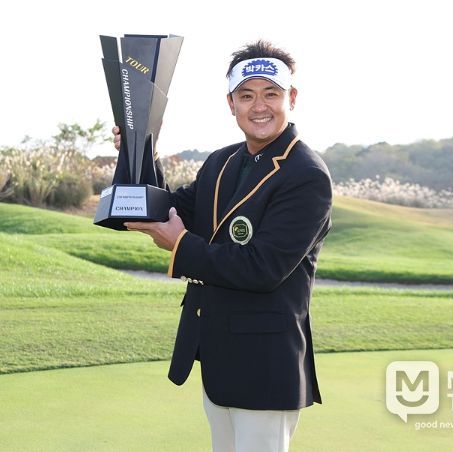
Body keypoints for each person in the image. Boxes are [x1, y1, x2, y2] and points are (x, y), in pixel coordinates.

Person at [115, 39, 332, 452]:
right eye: (246, 96)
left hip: (266, 366)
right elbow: (171, 209)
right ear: (231, 103)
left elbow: (261, 268)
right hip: (218, 354)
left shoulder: (307, 175)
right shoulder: (222, 161)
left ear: (292, 98)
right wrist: (141, 151)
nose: (259, 106)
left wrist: (180, 244)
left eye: (271, 94)